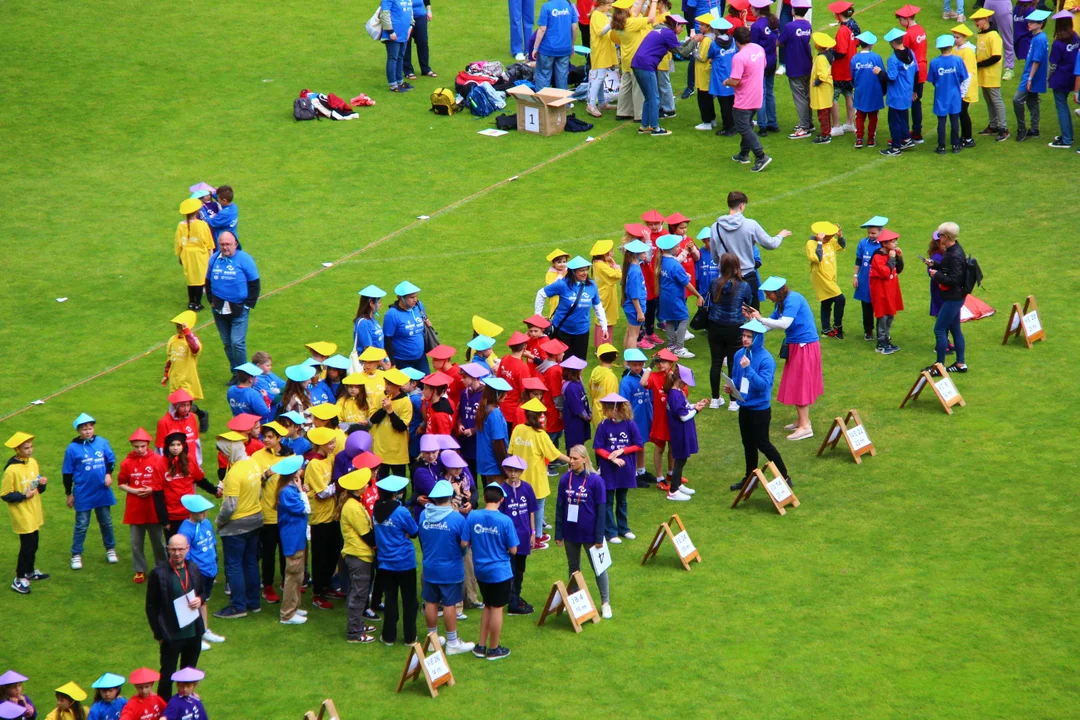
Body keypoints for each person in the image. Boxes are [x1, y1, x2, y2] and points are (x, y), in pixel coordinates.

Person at [744, 276, 823, 440]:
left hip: (804, 346)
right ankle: (802, 420)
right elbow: (768, 326)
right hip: (797, 346)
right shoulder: (781, 303)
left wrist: (760, 318)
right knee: (796, 383)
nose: (767, 297)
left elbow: (784, 324)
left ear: (777, 292)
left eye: (768, 294)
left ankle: (805, 427)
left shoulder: (792, 299)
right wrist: (753, 320)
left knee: (800, 384)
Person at [726, 320, 791, 490]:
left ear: (757, 338)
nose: (745, 339)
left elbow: (763, 386)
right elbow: (737, 377)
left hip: (760, 410)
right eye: (744, 335)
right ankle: (750, 479)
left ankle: (785, 476)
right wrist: (732, 387)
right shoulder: (739, 354)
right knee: (747, 443)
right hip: (745, 407)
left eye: (749, 336)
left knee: (763, 444)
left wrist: (749, 369)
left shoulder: (766, 360)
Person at [146, 535, 207, 700]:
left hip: (193, 632)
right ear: (168, 549)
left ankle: (186, 704)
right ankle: (164, 708)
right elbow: (151, 606)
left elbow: (203, 591)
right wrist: (159, 634)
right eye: (173, 549)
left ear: (187, 549)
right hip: (171, 634)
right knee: (167, 675)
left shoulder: (193, 568)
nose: (177, 553)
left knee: (189, 673)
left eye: (180, 549)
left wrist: (200, 599)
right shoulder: (158, 573)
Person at [554, 446, 612, 618]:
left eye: (575, 459)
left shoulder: (596, 481)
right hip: (570, 532)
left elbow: (601, 510)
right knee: (573, 568)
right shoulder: (565, 479)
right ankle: (575, 601)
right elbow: (560, 507)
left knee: (599, 568)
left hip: (590, 534)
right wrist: (558, 534)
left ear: (585, 459)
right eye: (570, 458)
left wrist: (599, 536)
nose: (571, 461)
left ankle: (605, 603)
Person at [418, 479, 474, 653]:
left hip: (430, 567)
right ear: (449, 497)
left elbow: (421, 539)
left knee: (431, 602)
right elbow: (464, 544)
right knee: (450, 604)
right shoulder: (456, 518)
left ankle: (433, 640)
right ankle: (452, 643)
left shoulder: (423, 515)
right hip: (451, 568)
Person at [708, 191, 791, 307]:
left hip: (725, 278)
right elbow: (771, 244)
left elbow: (715, 256)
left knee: (728, 314)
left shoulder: (715, 227)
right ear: (742, 205)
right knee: (752, 316)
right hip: (747, 277)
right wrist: (780, 236)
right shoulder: (751, 225)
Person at [213, 434, 263, 619]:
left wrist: (219, 522)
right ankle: (253, 603)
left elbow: (230, 506)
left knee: (234, 566)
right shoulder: (253, 464)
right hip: (255, 519)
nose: (223, 455)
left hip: (236, 526)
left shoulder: (234, 473)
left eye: (224, 452)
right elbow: (258, 493)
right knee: (250, 562)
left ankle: (238, 606)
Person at [468, 483, 518, 660]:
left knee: (488, 605)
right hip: (500, 572)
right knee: (497, 608)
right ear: (502, 500)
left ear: (484, 498)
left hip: (480, 571)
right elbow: (513, 550)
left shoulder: (473, 516)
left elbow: (464, 542)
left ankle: (481, 646)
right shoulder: (505, 521)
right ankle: (494, 649)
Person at [63, 413, 117, 571]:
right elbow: (67, 473)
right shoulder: (72, 448)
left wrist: (108, 474)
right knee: (81, 525)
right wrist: (69, 494)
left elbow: (111, 460)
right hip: (83, 493)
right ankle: (76, 554)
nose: (88, 431)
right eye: (84, 429)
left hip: (102, 492)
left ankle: (110, 549)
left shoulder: (102, 442)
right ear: (78, 430)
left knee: (106, 522)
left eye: (90, 428)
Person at [372, 474, 419, 646]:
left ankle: (388, 636)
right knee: (409, 601)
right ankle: (410, 637)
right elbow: (414, 531)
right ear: (395, 493)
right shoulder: (401, 512)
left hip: (385, 563)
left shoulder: (375, 511)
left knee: (390, 600)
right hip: (405, 562)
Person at [205, 232, 259, 375]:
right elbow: (208, 281)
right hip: (219, 308)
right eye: (222, 244)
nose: (225, 247)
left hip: (239, 308)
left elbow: (254, 283)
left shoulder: (245, 259)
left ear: (235, 244)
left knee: (237, 343)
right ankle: (235, 373)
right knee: (227, 343)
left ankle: (244, 375)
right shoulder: (214, 259)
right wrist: (211, 301)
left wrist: (248, 304)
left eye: (228, 244)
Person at [117, 428, 168, 584]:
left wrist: (152, 490)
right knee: (136, 542)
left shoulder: (158, 460)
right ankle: (140, 570)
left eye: (142, 446)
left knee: (158, 541)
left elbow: (165, 482)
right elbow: (121, 484)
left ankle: (163, 567)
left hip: (153, 507)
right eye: (136, 446)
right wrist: (134, 490)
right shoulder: (126, 462)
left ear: (148, 445)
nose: (139, 449)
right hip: (135, 508)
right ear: (132, 446)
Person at [534, 256, 609, 360]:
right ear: (573, 272)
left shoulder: (592, 285)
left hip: (582, 332)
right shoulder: (562, 284)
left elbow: (598, 307)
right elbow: (541, 293)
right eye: (581, 270)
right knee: (563, 362)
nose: (585, 273)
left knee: (580, 362)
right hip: (562, 331)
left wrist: (604, 326)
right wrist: (538, 316)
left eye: (586, 270)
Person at [2, 432, 48, 594]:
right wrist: (23, 496)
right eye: (26, 448)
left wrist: (42, 484)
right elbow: (5, 495)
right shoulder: (11, 471)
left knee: (34, 543)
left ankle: (29, 571)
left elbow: (37, 488)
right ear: (17, 449)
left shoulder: (33, 463)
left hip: (34, 510)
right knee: (27, 546)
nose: (30, 450)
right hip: (22, 513)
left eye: (31, 447)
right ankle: (19, 577)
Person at [176, 494, 224, 649]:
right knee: (193, 603)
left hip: (210, 570)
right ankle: (194, 638)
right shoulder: (185, 530)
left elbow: (213, 544)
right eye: (203, 512)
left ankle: (203, 630)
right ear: (194, 512)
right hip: (198, 573)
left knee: (203, 600)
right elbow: (185, 556)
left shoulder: (206, 523)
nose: (206, 514)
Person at [593, 393, 642, 542]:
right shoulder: (603, 426)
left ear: (614, 409)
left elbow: (638, 444)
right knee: (608, 501)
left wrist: (622, 451)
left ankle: (624, 528)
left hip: (625, 469)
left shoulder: (630, 424)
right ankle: (611, 532)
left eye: (606, 409)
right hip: (608, 469)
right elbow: (598, 447)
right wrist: (610, 457)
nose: (603, 411)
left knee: (622, 500)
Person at [707, 252, 753, 410]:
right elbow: (749, 302)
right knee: (734, 364)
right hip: (735, 328)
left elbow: (712, 298)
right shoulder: (744, 285)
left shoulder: (715, 283)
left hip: (715, 326)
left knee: (716, 363)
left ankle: (715, 399)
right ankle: (733, 401)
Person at [632, 14, 689, 135]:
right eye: (681, 27)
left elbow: (676, 48)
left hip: (637, 63)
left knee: (648, 97)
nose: (682, 30)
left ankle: (644, 126)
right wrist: (695, 41)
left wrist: (690, 42)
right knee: (654, 97)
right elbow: (682, 52)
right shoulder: (669, 34)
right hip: (646, 65)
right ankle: (655, 128)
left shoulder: (660, 29)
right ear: (676, 25)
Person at [924, 222, 969, 373]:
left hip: (952, 298)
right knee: (955, 329)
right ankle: (960, 364)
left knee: (939, 329)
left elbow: (954, 279)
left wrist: (936, 275)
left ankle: (939, 366)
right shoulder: (953, 249)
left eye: (940, 235)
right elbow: (947, 268)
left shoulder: (954, 254)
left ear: (946, 237)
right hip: (955, 297)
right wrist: (935, 264)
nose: (938, 238)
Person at [726, 25, 773, 171]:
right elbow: (763, 65)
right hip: (757, 95)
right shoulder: (758, 49)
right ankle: (744, 154)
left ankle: (760, 156)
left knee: (743, 127)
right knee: (746, 124)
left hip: (744, 98)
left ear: (736, 40)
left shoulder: (739, 57)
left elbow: (735, 80)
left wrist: (726, 82)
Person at [269, 455, 309, 627]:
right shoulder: (288, 491)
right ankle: (287, 614)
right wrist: (301, 491)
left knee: (298, 574)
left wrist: (301, 490)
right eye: (300, 469)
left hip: (298, 536)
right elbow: (305, 508)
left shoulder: (289, 489)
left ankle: (294, 606)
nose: (302, 470)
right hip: (293, 538)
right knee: (293, 575)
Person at [336, 468, 375, 642]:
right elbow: (366, 534)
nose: (368, 485)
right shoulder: (353, 507)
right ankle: (354, 632)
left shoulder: (353, 503)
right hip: (358, 555)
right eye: (365, 483)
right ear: (358, 488)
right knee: (359, 594)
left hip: (356, 554)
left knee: (357, 592)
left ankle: (357, 623)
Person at [497, 456, 538, 613]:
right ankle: (513, 603)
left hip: (524, 536)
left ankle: (516, 596)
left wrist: (533, 533)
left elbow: (531, 512)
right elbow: (500, 517)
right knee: (511, 570)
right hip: (509, 539)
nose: (513, 474)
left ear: (521, 472)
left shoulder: (527, 488)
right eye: (510, 470)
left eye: (516, 471)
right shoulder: (502, 490)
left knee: (520, 569)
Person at [656, 234, 705, 358]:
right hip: (675, 297)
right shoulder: (675, 265)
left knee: (670, 320)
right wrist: (698, 295)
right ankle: (679, 347)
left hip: (665, 297)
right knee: (683, 318)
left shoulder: (661, 261)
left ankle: (671, 345)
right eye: (677, 246)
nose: (679, 248)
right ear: (671, 249)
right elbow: (686, 284)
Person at [612, 0, 659, 124]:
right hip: (636, 59)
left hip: (626, 58)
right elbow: (651, 18)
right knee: (638, 87)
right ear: (626, 11)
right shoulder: (631, 23)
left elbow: (636, 12)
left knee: (625, 85)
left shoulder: (618, 23)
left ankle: (622, 111)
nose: (632, 8)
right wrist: (654, 2)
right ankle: (639, 114)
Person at [665, 365, 706, 501]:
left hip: (680, 431)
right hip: (679, 431)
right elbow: (683, 416)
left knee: (682, 459)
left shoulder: (676, 393)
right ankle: (673, 491)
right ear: (680, 380)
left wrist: (695, 405)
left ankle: (677, 484)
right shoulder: (675, 395)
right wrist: (697, 411)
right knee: (681, 459)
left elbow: (684, 407)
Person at [879, 26, 919, 156]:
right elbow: (916, 72)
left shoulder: (893, 59)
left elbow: (891, 77)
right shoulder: (911, 53)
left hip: (896, 95)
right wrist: (914, 90)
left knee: (894, 121)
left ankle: (896, 148)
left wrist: (879, 72)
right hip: (907, 92)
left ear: (893, 43)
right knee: (903, 117)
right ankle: (906, 139)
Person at [778, 0, 814, 137]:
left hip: (795, 65)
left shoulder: (789, 26)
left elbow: (780, 42)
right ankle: (808, 123)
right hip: (807, 64)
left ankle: (804, 127)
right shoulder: (808, 25)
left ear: (793, 10)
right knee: (806, 95)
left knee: (800, 97)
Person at [928, 34, 969, 154]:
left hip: (941, 96)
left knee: (941, 121)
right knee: (955, 121)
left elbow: (932, 80)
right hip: (955, 95)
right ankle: (955, 145)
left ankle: (941, 147)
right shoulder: (957, 60)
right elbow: (963, 77)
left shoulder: (934, 62)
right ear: (951, 46)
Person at [806, 221, 848, 338]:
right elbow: (817, 258)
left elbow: (841, 246)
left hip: (830, 276)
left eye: (831, 237)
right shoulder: (811, 243)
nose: (829, 239)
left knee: (827, 301)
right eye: (827, 237)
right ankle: (838, 328)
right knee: (840, 299)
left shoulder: (831, 241)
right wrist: (820, 242)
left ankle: (825, 329)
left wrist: (840, 236)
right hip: (820, 276)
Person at [971, 8, 1008, 140]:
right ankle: (993, 125)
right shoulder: (981, 34)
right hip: (983, 74)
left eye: (978, 20)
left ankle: (1003, 128)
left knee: (996, 101)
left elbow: (996, 56)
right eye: (975, 21)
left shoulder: (993, 36)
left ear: (986, 19)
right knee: (989, 101)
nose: (976, 23)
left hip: (991, 74)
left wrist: (979, 64)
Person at [370, 368, 414, 477]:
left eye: (390, 384)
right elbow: (373, 419)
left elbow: (401, 427)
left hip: (397, 452)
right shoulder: (379, 396)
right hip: (380, 449)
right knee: (380, 482)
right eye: (386, 383)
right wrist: (383, 409)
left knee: (399, 483)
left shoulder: (405, 401)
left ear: (398, 386)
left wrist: (390, 411)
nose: (386, 387)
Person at [174, 199, 215, 312]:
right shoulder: (202, 225)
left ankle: (191, 302)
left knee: (190, 278)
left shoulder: (180, 226)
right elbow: (209, 243)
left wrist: (180, 256)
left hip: (187, 255)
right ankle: (197, 303)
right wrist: (211, 256)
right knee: (200, 279)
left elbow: (178, 243)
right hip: (200, 255)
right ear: (197, 211)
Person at [896, 3, 928, 143]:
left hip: (913, 72)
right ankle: (916, 131)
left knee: (910, 102)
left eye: (900, 20)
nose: (900, 22)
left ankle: (912, 133)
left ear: (907, 19)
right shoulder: (920, 29)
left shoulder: (908, 34)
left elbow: (905, 55)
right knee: (917, 102)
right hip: (922, 68)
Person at [869, 229, 905, 353]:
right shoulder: (878, 257)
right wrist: (891, 259)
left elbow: (899, 270)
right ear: (884, 244)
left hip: (890, 290)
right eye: (893, 241)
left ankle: (887, 339)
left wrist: (899, 258)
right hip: (881, 291)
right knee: (883, 316)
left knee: (890, 315)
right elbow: (885, 273)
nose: (895, 244)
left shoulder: (891, 253)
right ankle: (881, 343)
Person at [383, 281, 431, 373]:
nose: (415, 300)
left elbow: (423, 318)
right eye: (411, 297)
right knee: (406, 387)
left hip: (420, 357)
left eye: (416, 296)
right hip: (402, 360)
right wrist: (392, 362)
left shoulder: (419, 306)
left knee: (427, 385)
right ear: (401, 298)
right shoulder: (392, 314)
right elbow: (387, 339)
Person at [1046, 11, 1079, 148]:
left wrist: (1047, 78)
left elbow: (1053, 64)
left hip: (1060, 78)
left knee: (1062, 107)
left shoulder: (1057, 43)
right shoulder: (1076, 37)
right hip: (1074, 77)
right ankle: (1067, 135)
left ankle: (1066, 139)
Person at [853, 216, 887, 340]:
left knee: (879, 307)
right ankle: (868, 331)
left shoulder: (885, 244)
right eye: (869, 233)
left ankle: (881, 332)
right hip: (865, 280)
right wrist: (855, 276)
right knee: (866, 307)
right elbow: (859, 260)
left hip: (879, 281)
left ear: (881, 232)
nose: (870, 235)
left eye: (873, 233)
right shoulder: (863, 243)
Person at [533, 0, 580, 89]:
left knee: (543, 75)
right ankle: (563, 102)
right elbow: (575, 27)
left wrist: (535, 48)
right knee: (562, 77)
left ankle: (543, 101)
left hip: (547, 49)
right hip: (565, 48)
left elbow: (542, 29)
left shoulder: (546, 6)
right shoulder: (570, 6)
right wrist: (572, 46)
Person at [749, 0, 780, 135]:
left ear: (758, 10)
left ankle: (762, 126)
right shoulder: (773, 21)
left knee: (761, 93)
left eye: (752, 8)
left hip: (761, 63)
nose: (750, 10)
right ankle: (772, 123)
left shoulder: (756, 26)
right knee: (770, 92)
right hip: (772, 61)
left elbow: (753, 47)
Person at [851, 31, 885, 148]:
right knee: (873, 115)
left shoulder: (855, 58)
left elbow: (852, 75)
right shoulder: (876, 57)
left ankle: (859, 138)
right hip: (874, 91)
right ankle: (871, 139)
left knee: (860, 115)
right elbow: (882, 73)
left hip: (860, 91)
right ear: (871, 45)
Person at [951, 24, 978, 148]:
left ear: (964, 38)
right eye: (954, 37)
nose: (955, 40)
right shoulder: (954, 49)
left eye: (958, 37)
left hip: (964, 87)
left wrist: (962, 91)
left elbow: (968, 73)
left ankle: (968, 137)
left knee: (963, 112)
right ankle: (964, 136)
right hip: (956, 86)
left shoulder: (968, 52)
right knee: (960, 112)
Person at [381, 0, 414, 92]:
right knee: (393, 58)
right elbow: (384, 14)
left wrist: (410, 27)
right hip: (394, 34)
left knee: (400, 57)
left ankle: (400, 82)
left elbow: (410, 12)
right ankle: (393, 85)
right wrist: (390, 31)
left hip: (404, 33)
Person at [810, 32, 837, 143]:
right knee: (825, 111)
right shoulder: (825, 54)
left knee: (823, 113)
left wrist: (816, 82)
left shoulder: (821, 58)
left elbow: (823, 75)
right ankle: (826, 132)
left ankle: (825, 135)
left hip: (822, 90)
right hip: (827, 89)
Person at [353, 285, 387, 361]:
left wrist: (386, 359)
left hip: (377, 361)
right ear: (371, 303)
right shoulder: (364, 323)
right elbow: (368, 349)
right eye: (379, 302)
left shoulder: (372, 319)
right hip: (370, 364)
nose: (380, 305)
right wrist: (383, 364)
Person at [403, 0, 435, 80]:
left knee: (423, 42)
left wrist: (429, 10)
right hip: (405, 17)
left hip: (420, 16)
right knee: (406, 43)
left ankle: (425, 69)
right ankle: (408, 71)